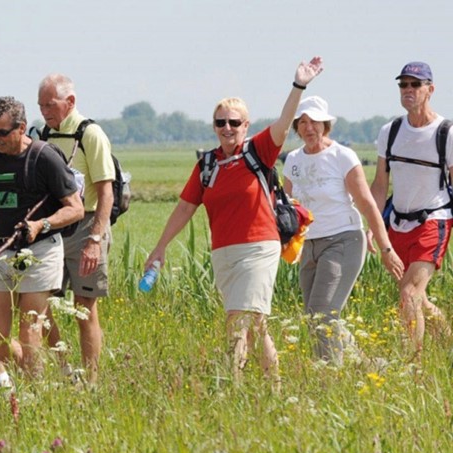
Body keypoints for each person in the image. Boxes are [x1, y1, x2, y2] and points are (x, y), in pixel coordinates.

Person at [146, 57, 324, 381]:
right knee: (255, 323)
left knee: (237, 320)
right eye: (220, 123)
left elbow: (284, 124)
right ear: (214, 127)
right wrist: (160, 247)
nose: (227, 128)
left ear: (246, 125)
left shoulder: (258, 150)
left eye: (234, 122)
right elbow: (185, 208)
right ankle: (273, 387)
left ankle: (232, 387)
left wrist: (299, 85)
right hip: (223, 253)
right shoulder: (207, 165)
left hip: (259, 248)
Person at [0, 97, 85, 391]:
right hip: (2, 251)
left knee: (30, 335)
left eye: (2, 132)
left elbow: (75, 208)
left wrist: (41, 224)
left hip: (41, 250)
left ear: (21, 128)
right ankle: (17, 391)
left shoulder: (44, 157)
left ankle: (34, 396)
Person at [284, 95, 404, 365]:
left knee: (322, 313)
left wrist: (386, 249)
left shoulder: (342, 156)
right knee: (315, 317)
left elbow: (367, 204)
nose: (308, 127)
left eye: (315, 121)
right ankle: (369, 366)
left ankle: (330, 376)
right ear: (297, 127)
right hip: (309, 246)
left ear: (326, 125)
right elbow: (290, 208)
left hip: (343, 241)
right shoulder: (292, 160)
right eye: (302, 122)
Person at [369, 61, 453, 356]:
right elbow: (380, 184)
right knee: (419, 300)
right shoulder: (390, 131)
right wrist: (373, 225)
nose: (408, 89)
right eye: (403, 84)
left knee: (409, 294)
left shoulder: (446, 133)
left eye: (415, 84)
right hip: (397, 224)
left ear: (430, 89)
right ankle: (448, 346)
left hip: (433, 220)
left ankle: (414, 366)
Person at [36, 75, 116, 385]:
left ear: (70, 102)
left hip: (87, 225)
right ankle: (65, 369)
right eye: (41, 106)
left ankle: (91, 381)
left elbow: (106, 192)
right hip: (55, 224)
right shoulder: (42, 134)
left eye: (50, 105)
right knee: (37, 302)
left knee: (84, 308)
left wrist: (95, 239)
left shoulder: (90, 134)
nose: (45, 112)